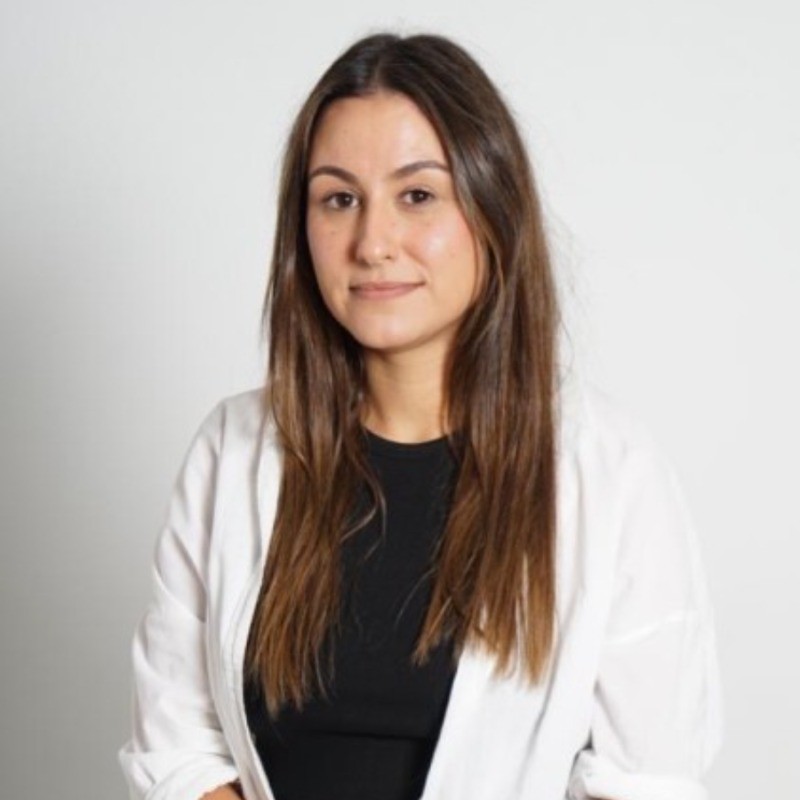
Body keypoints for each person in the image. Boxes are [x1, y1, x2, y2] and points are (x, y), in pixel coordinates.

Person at [118, 31, 724, 800]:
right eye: (339, 199)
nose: (373, 243)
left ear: (492, 210)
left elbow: (649, 781)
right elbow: (179, 748)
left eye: (417, 195)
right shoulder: (231, 451)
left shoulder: (611, 473)